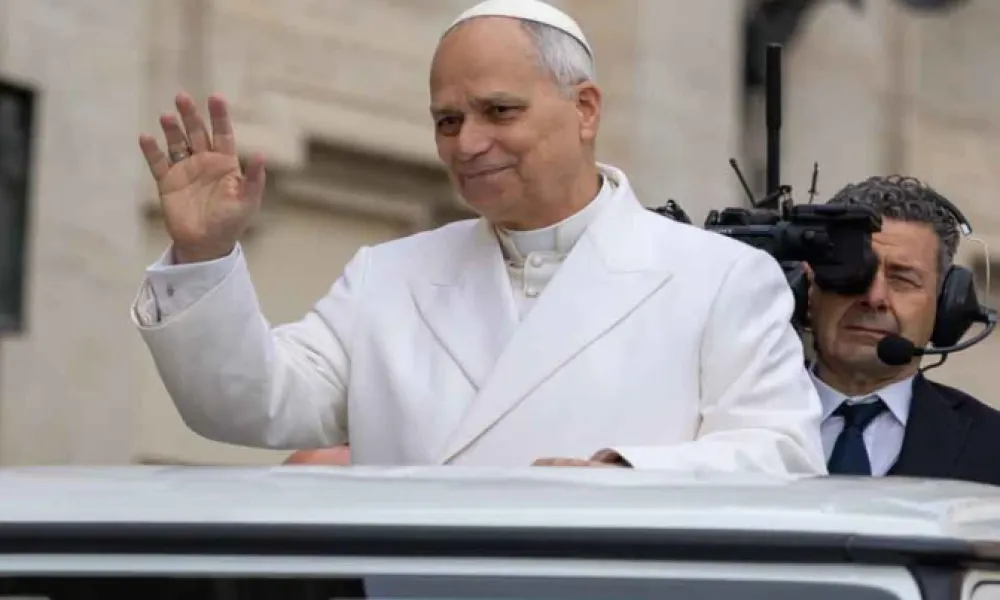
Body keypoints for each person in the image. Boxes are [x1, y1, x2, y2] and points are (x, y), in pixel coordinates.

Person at [131, 0, 825, 472]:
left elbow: (786, 454)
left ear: (584, 109)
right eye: (447, 121)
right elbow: (250, 405)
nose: (470, 143)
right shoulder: (389, 276)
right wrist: (204, 253)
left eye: (499, 111)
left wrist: (633, 475)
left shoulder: (720, 278)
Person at [806, 175, 1000, 484]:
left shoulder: (992, 445)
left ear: (947, 304)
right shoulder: (730, 422)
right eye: (855, 273)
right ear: (809, 286)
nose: (874, 298)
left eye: (903, 279)